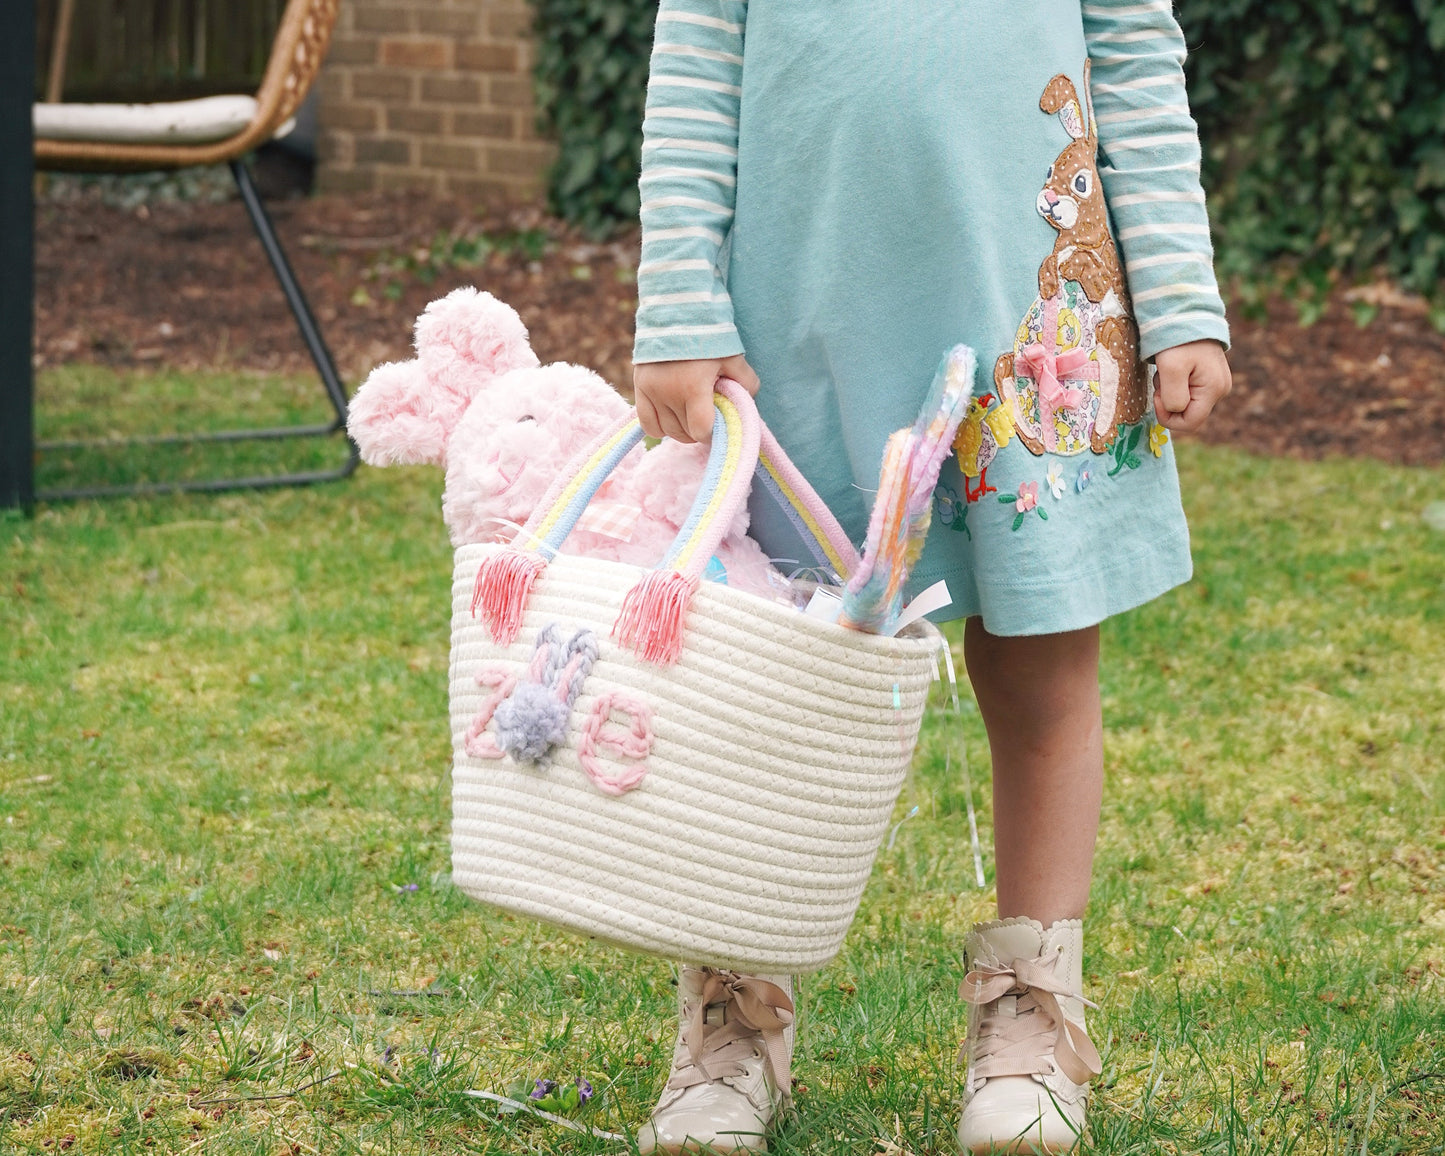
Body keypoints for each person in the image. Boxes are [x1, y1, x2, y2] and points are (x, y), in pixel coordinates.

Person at [630, 2, 1232, 1152]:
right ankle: (731, 1017)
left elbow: (1138, 73)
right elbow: (696, 65)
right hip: (797, 339)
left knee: (1040, 671)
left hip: (1031, 327)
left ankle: (1029, 1018)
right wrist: (677, 302)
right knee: (771, 678)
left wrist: (1180, 298)